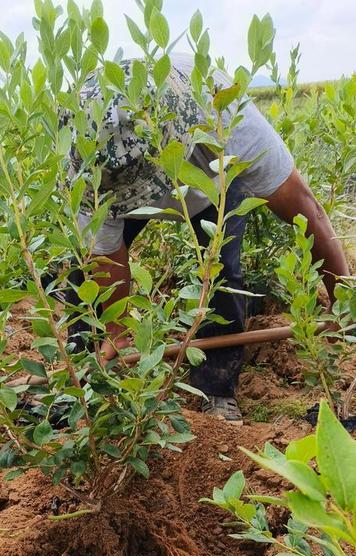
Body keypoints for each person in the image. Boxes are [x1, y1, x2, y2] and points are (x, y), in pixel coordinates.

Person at [67, 54, 350, 425]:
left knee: (220, 273)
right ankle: (78, 382)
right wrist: (117, 332)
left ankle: (216, 388)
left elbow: (306, 211)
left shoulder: (230, 120)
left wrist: (344, 298)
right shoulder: (87, 161)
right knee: (82, 278)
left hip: (213, 182)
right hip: (113, 196)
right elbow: (103, 258)